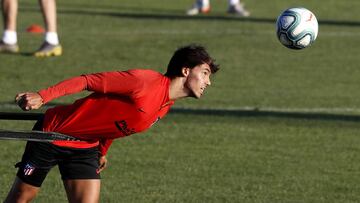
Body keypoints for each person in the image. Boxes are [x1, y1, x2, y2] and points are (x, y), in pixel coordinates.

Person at [4, 44, 219, 202]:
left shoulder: (165, 104)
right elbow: (86, 81)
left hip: (86, 147)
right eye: (205, 73)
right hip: (52, 135)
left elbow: (116, 121)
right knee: (22, 197)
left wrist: (102, 150)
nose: (208, 82)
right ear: (185, 70)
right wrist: (43, 96)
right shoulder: (143, 82)